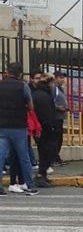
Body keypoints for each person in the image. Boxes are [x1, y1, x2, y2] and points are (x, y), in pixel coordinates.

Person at [0, 62, 39, 196]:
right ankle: (30, 186)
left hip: (2, 126)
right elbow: (31, 106)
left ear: (7, 72)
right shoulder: (23, 86)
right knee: (24, 157)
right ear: (20, 74)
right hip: (19, 126)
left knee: (1, 156)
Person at [32, 73, 58, 188]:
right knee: (48, 152)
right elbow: (45, 114)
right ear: (48, 82)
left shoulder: (40, 93)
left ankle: (43, 175)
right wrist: (51, 126)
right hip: (45, 128)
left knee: (45, 152)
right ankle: (40, 176)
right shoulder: (43, 95)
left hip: (42, 127)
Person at [8, 108, 42, 193]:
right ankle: (14, 182)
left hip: (23, 130)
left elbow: (32, 114)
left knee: (18, 158)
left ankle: (20, 181)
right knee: (18, 158)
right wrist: (37, 127)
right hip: (20, 130)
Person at [52, 70, 68, 167]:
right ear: (55, 78)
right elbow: (51, 101)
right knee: (56, 139)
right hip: (56, 117)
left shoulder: (60, 88)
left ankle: (57, 157)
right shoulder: (53, 88)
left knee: (59, 139)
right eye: (60, 77)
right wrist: (59, 107)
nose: (63, 80)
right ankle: (53, 158)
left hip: (60, 116)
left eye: (63, 77)